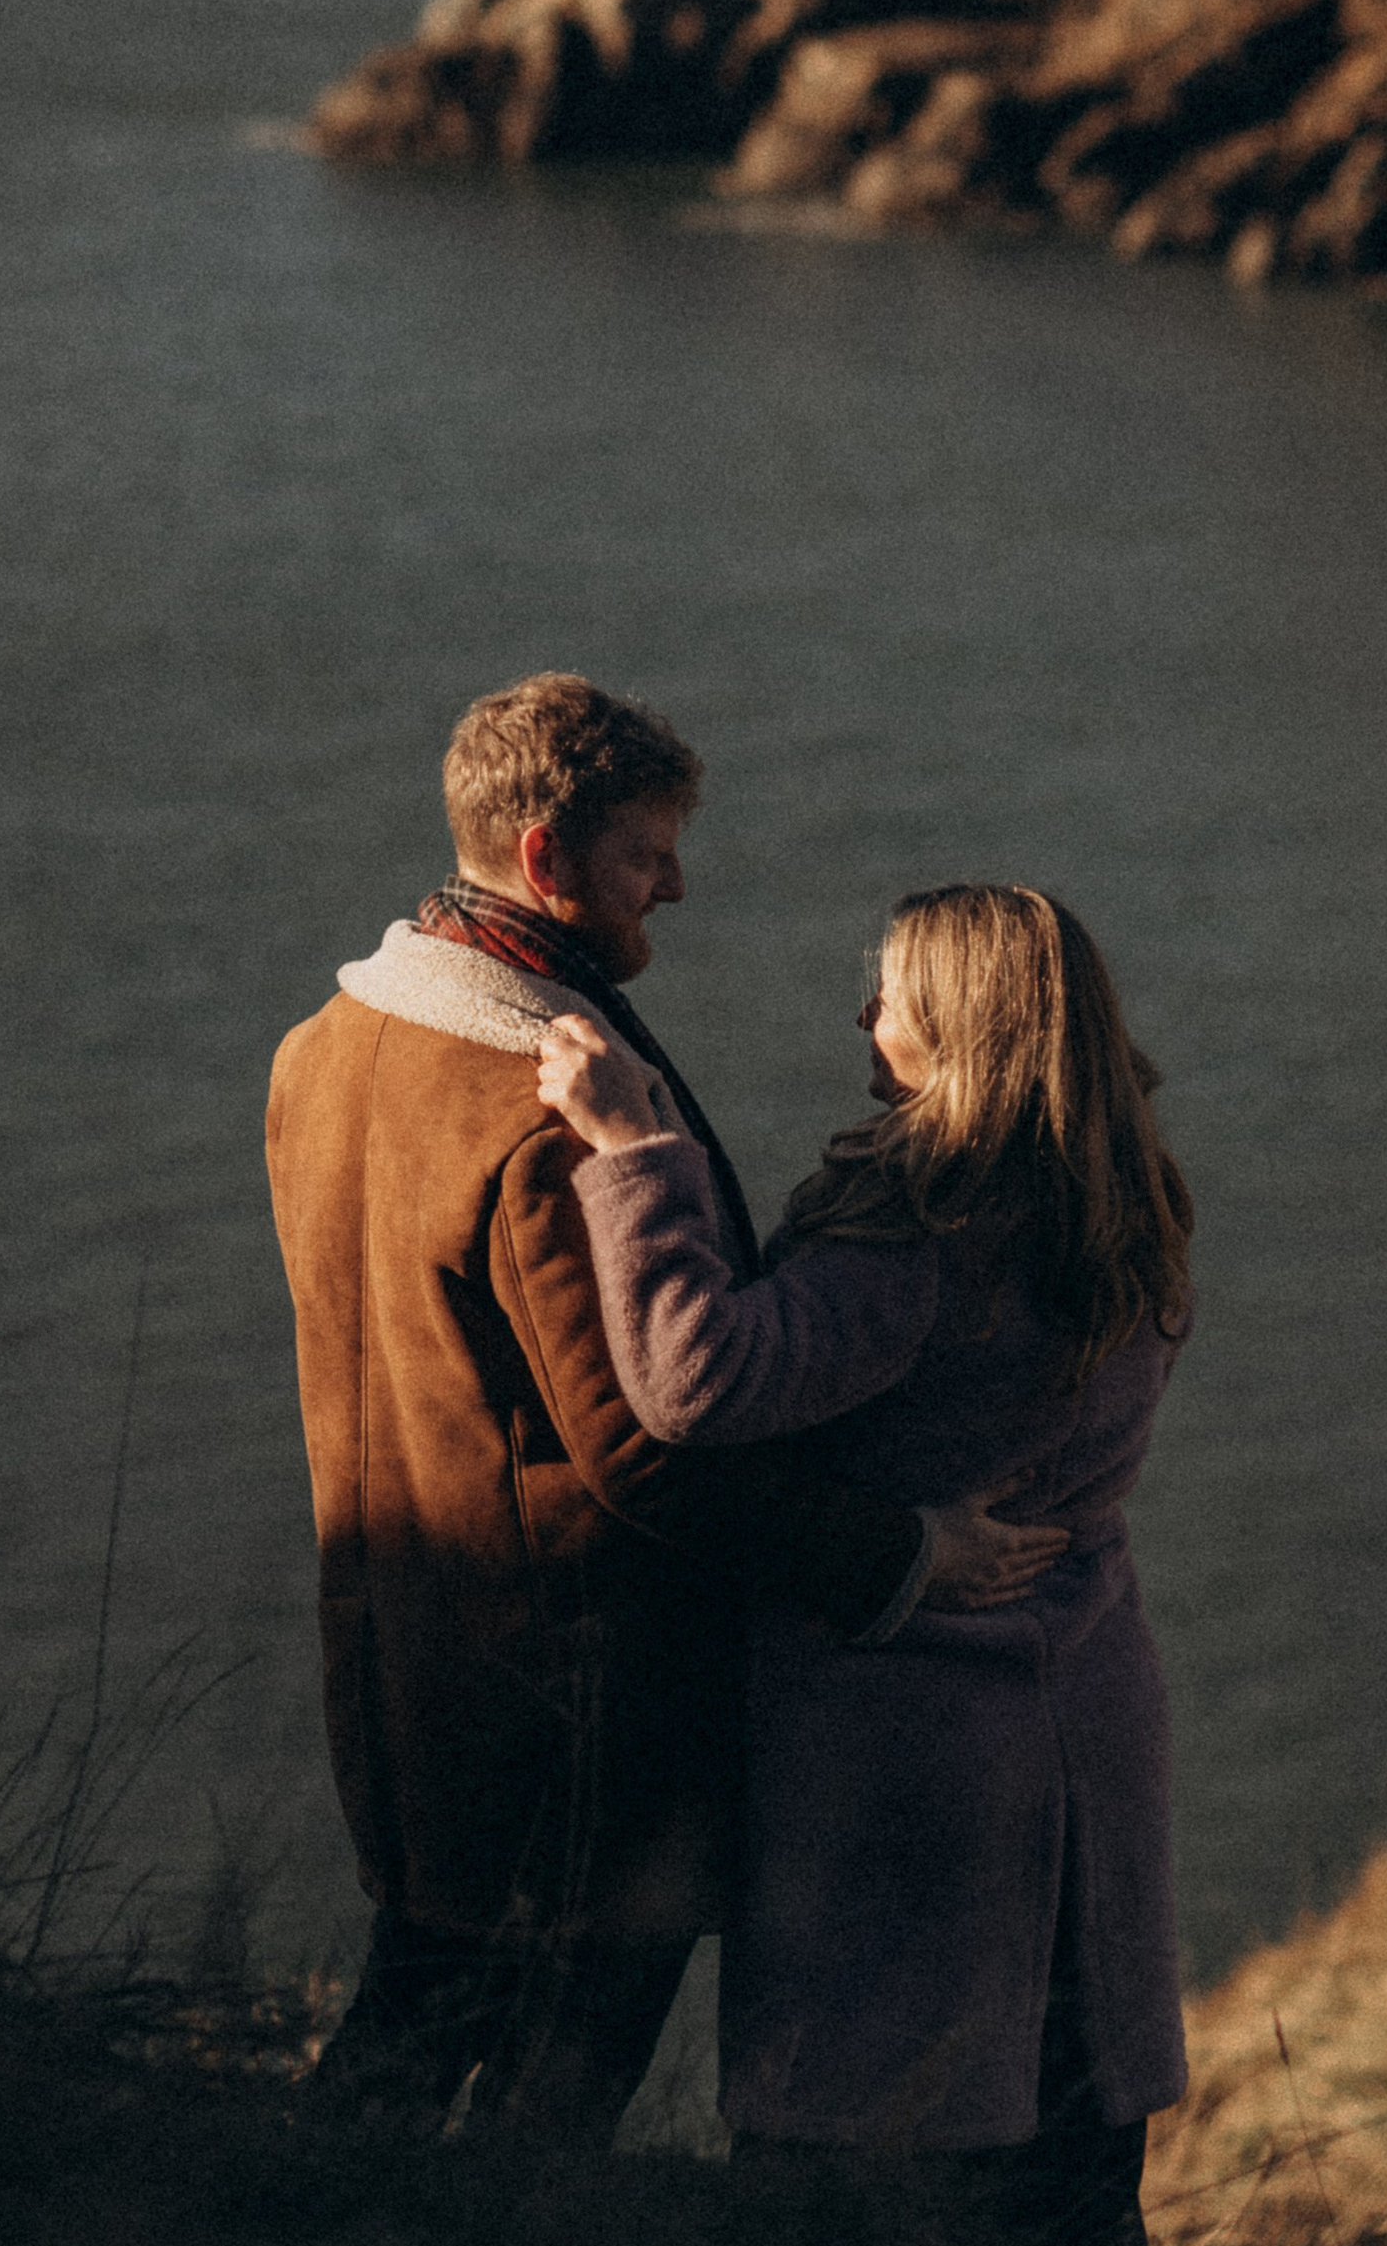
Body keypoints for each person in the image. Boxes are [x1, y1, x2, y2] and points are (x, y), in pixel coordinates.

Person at [263, 676, 1062, 2145]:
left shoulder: (320, 1055)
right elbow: (641, 1446)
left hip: (400, 1659)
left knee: (399, 2049)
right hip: (574, 1711)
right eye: (647, 855)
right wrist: (897, 1556)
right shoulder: (541, 1110)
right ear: (549, 858)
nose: (676, 887)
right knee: (542, 2125)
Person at [537, 881, 1192, 2246]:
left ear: (959, 1026)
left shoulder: (922, 1227)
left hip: (914, 1740)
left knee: (871, 2161)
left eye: (888, 994)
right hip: (1090, 1699)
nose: (861, 1021)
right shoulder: (1130, 1201)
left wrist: (640, 1154)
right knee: (1074, 2170)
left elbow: (699, 1380)